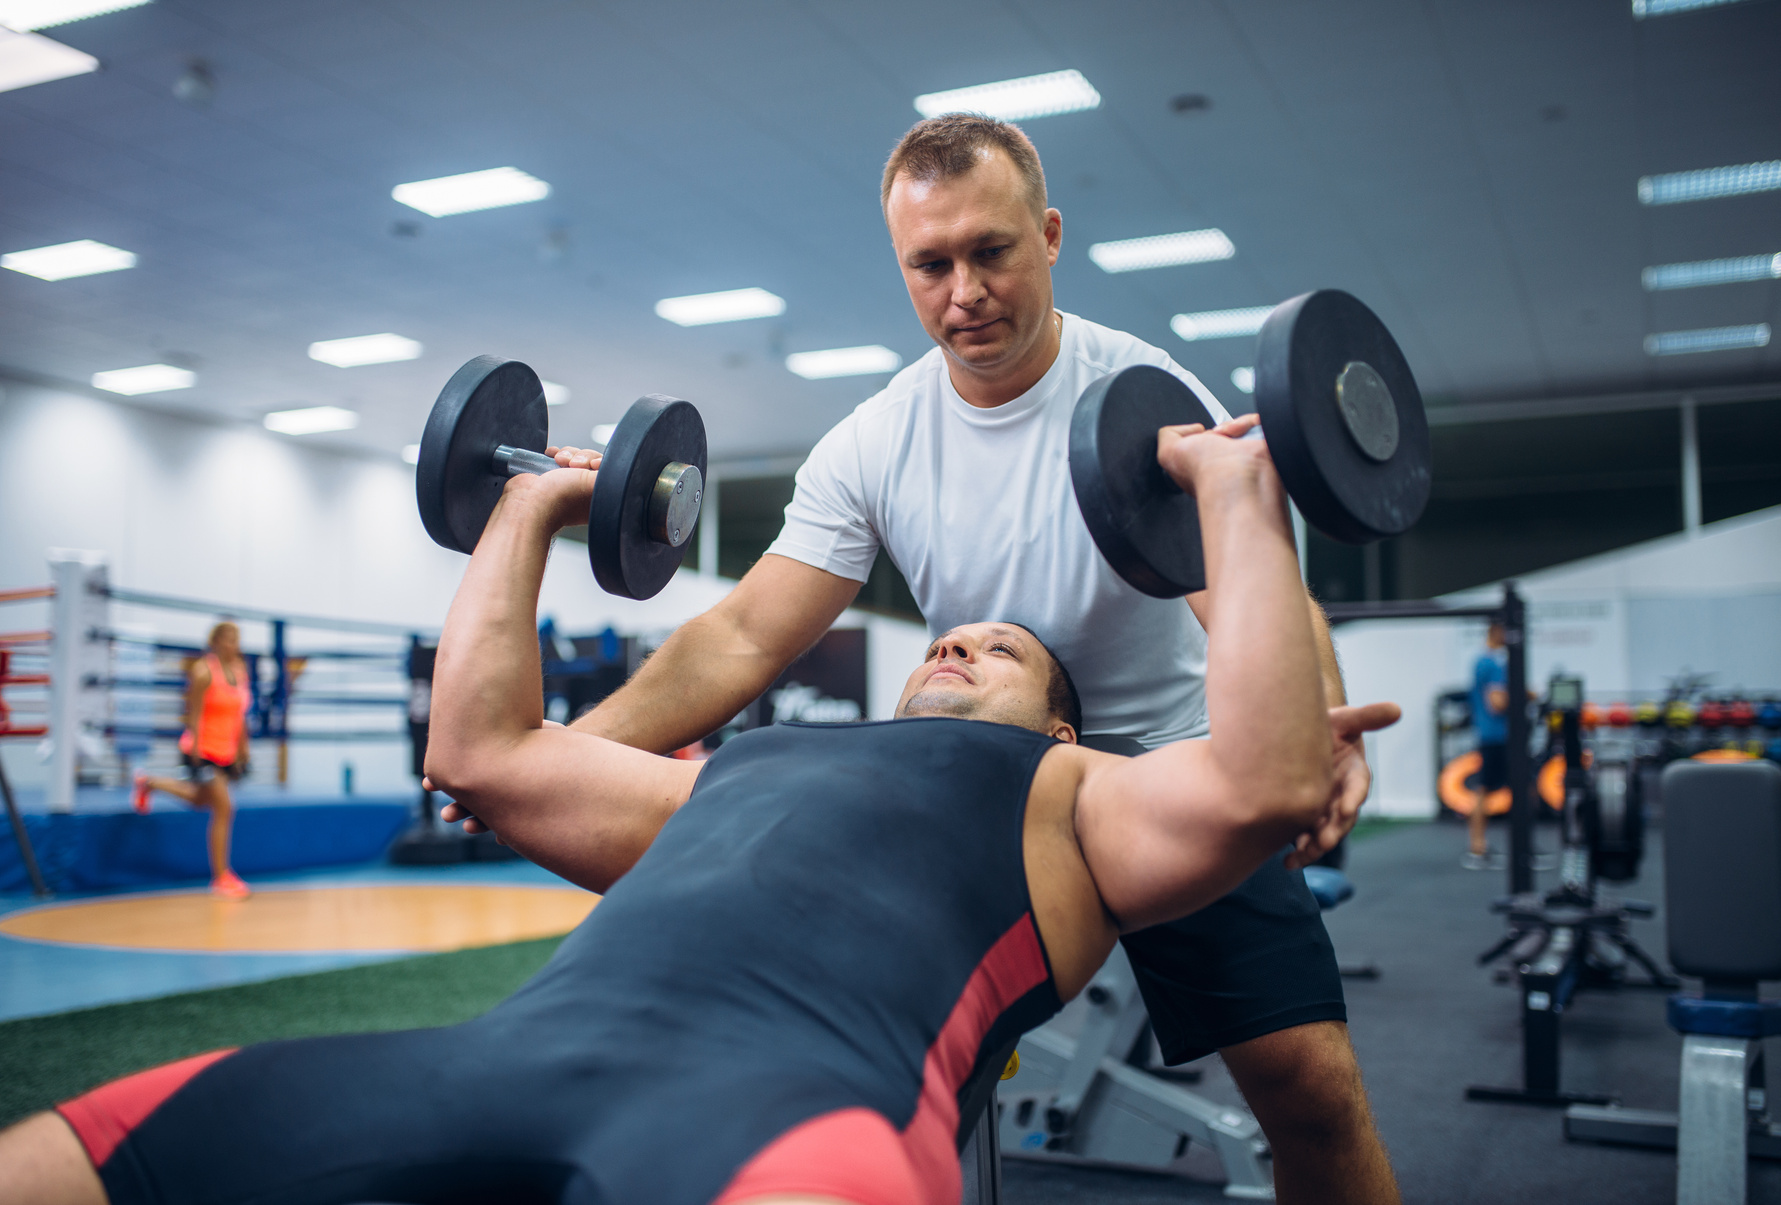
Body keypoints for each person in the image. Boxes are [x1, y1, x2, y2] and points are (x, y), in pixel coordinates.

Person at [0, 412, 1399, 1205]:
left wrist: (1234, 484)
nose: (957, 641)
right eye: (943, 640)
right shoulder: (733, 773)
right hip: (488, 1059)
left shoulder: (1077, 797)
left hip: (789, 1119)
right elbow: (479, 753)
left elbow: (1265, 777)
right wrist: (525, 511)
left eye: (1003, 650)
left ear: (1066, 719)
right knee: (49, 1161)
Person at [452, 114, 1397, 1202]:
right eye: (930, 264)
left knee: (1309, 1085)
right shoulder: (876, 439)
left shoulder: (1139, 396)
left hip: (1178, 770)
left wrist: (1310, 724)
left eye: (990, 252)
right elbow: (746, 632)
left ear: (1047, 236)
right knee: (857, 1080)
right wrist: (565, 757)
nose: (964, 292)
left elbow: (1248, 587)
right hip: (985, 798)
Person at [131, 621, 252, 899]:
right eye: (229, 639)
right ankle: (221, 877)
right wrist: (195, 752)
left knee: (200, 800)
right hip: (202, 750)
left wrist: (243, 747)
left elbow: (240, 714)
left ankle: (148, 782)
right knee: (224, 808)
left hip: (227, 752)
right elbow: (193, 713)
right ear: (216, 642)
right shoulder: (202, 672)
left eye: (237, 639)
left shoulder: (239, 671)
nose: (234, 645)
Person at [1463, 621, 1510, 869]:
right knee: (1484, 790)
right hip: (1497, 736)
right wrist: (1526, 695)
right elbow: (1498, 703)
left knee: (1521, 788)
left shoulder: (1483, 662)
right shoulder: (1492, 664)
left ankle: (1479, 846)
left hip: (1492, 735)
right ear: (1497, 631)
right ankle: (1477, 847)